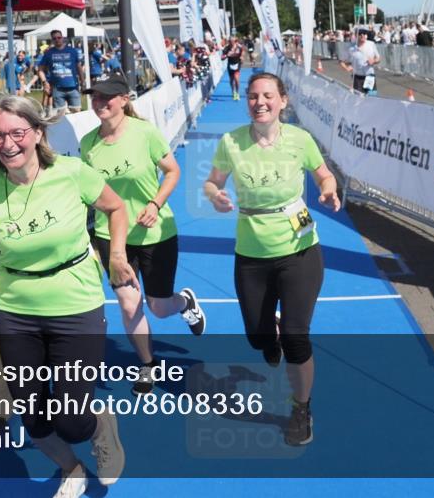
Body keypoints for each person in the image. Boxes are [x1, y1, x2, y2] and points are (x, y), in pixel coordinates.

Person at [0, 95, 130, 496]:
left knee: (70, 418)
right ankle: (71, 468)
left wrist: (115, 254)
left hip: (76, 304)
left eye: (17, 132)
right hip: (17, 310)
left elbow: (116, 209)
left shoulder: (71, 173)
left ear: (38, 133)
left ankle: (100, 425)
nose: (8, 143)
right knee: (31, 412)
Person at [203, 73, 341, 447]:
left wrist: (329, 191)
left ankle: (301, 408)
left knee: (297, 337)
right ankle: (270, 331)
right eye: (252, 96)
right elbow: (212, 181)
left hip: (300, 249)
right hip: (252, 253)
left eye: (267, 95)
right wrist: (215, 194)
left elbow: (324, 175)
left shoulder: (300, 139)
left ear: (283, 101)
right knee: (258, 337)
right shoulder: (232, 142)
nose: (259, 102)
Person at [80, 75, 206, 395]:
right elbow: (88, 192)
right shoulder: (88, 144)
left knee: (158, 307)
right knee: (127, 304)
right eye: (94, 98)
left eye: (106, 97)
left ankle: (183, 301)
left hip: (155, 231)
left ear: (124, 99)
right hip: (112, 235)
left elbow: (172, 171)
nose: (99, 103)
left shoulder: (145, 133)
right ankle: (147, 364)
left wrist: (155, 203)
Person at [38, 30, 83, 114]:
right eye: (54, 38)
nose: (57, 40)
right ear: (52, 40)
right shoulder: (48, 53)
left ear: (62, 38)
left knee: (77, 112)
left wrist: (83, 81)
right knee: (60, 116)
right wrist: (45, 82)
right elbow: (40, 69)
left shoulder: (72, 51)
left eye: (59, 37)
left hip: (73, 87)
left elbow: (79, 67)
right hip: (57, 89)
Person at [339, 28, 380, 94]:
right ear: (356, 35)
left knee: (371, 97)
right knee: (359, 98)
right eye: (360, 34)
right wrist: (346, 68)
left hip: (369, 76)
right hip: (357, 77)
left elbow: (378, 58)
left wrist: (374, 61)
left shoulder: (371, 44)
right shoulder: (351, 48)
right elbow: (341, 61)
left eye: (364, 34)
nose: (362, 35)